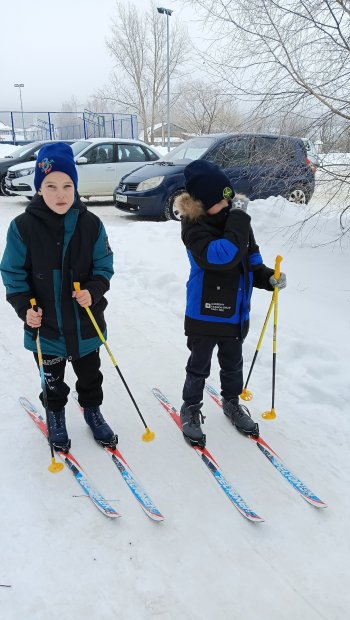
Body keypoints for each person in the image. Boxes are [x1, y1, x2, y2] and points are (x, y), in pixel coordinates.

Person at [0, 142, 117, 452]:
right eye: (50, 186)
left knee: (90, 376)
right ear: (39, 189)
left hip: (85, 324)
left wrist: (93, 290)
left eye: (67, 185)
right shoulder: (22, 227)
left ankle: (92, 410)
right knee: (52, 380)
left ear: (75, 187)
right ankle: (55, 414)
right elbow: (12, 272)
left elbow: (104, 265)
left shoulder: (90, 224)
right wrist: (25, 307)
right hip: (46, 327)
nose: (60, 194)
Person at [175, 160, 286, 448]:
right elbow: (221, 257)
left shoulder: (237, 224)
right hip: (204, 312)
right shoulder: (193, 228)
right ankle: (190, 407)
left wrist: (268, 278)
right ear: (201, 202)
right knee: (198, 365)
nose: (227, 205)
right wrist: (238, 219)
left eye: (228, 198)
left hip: (235, 314)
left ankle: (232, 402)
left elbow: (251, 261)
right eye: (220, 201)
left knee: (232, 364)